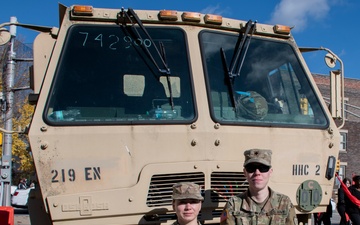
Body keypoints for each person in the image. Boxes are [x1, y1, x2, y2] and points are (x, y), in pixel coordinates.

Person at [220, 149, 298, 225]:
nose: (257, 173)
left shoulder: (284, 204)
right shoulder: (233, 205)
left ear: (270, 172)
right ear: (245, 172)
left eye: (263, 168)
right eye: (251, 168)